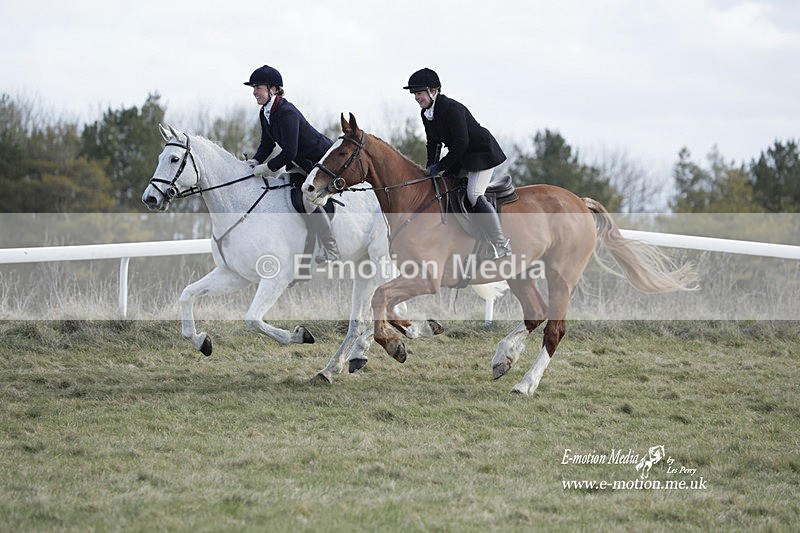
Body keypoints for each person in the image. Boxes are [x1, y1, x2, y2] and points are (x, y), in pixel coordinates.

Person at [403, 67, 511, 260]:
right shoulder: (426, 113)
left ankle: (501, 244)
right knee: (444, 190)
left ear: (433, 91)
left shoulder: (451, 109)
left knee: (473, 194)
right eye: (415, 94)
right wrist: (430, 167)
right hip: (462, 157)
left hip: (480, 154)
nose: (416, 98)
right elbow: (433, 143)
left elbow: (462, 143)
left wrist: (441, 166)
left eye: (419, 93)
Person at [244, 64, 340, 263]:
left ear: (273, 89)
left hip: (320, 162)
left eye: (258, 88)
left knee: (307, 198)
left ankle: (331, 250)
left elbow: (289, 151)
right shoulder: (265, 113)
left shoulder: (286, 112)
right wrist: (255, 161)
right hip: (300, 163)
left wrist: (267, 167)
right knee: (285, 192)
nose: (254, 92)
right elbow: (266, 144)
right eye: (253, 88)